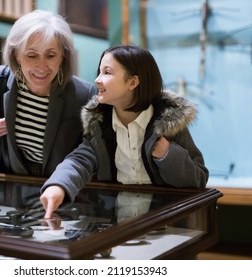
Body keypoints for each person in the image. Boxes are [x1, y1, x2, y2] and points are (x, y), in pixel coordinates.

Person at [40, 45, 209, 219]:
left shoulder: (169, 123)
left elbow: (199, 179)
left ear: (133, 82)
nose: (97, 80)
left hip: (164, 224)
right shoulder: (99, 125)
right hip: (116, 225)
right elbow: (80, 160)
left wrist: (167, 155)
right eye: (99, 72)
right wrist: (58, 185)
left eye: (107, 72)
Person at [0, 10, 96, 176]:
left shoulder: (84, 94)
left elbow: (90, 151)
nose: (42, 67)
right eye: (32, 55)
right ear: (17, 55)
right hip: (15, 183)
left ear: (62, 55)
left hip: (62, 189)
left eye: (50, 55)